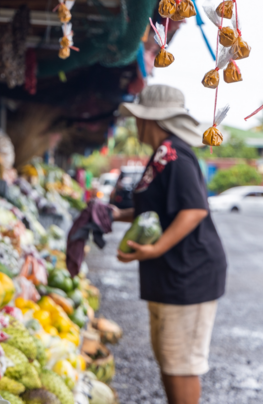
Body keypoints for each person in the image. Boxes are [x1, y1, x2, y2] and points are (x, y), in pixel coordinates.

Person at [112, 85, 227, 404]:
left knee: (181, 363)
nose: (136, 125)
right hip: (170, 274)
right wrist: (118, 214)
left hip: (188, 273)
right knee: (168, 357)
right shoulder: (162, 154)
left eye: (139, 118)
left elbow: (193, 209)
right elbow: (160, 210)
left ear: (153, 120)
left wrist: (156, 248)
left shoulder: (174, 153)